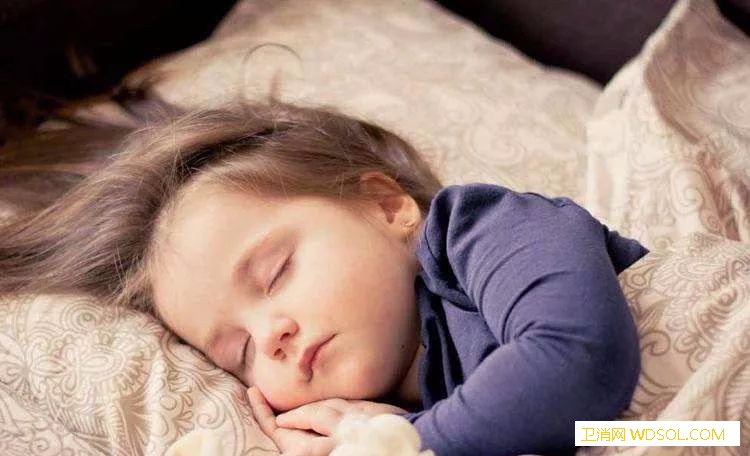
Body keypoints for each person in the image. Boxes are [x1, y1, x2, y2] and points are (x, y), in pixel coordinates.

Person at [0, 96, 647, 456]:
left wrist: (406, 443)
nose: (271, 335)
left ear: (386, 206)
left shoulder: (483, 228)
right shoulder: (404, 407)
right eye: (240, 352)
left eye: (276, 273)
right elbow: (598, 436)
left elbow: (578, 361)